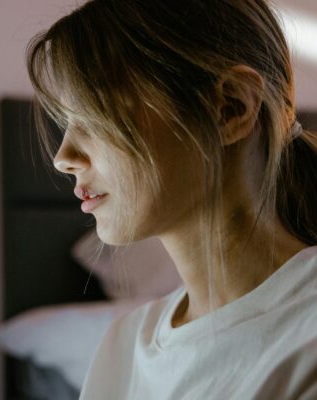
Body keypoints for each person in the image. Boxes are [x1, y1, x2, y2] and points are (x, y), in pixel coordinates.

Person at [27, 0, 317, 399]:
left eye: (95, 116)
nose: (63, 159)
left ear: (230, 108)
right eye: (67, 122)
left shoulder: (306, 340)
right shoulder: (124, 345)